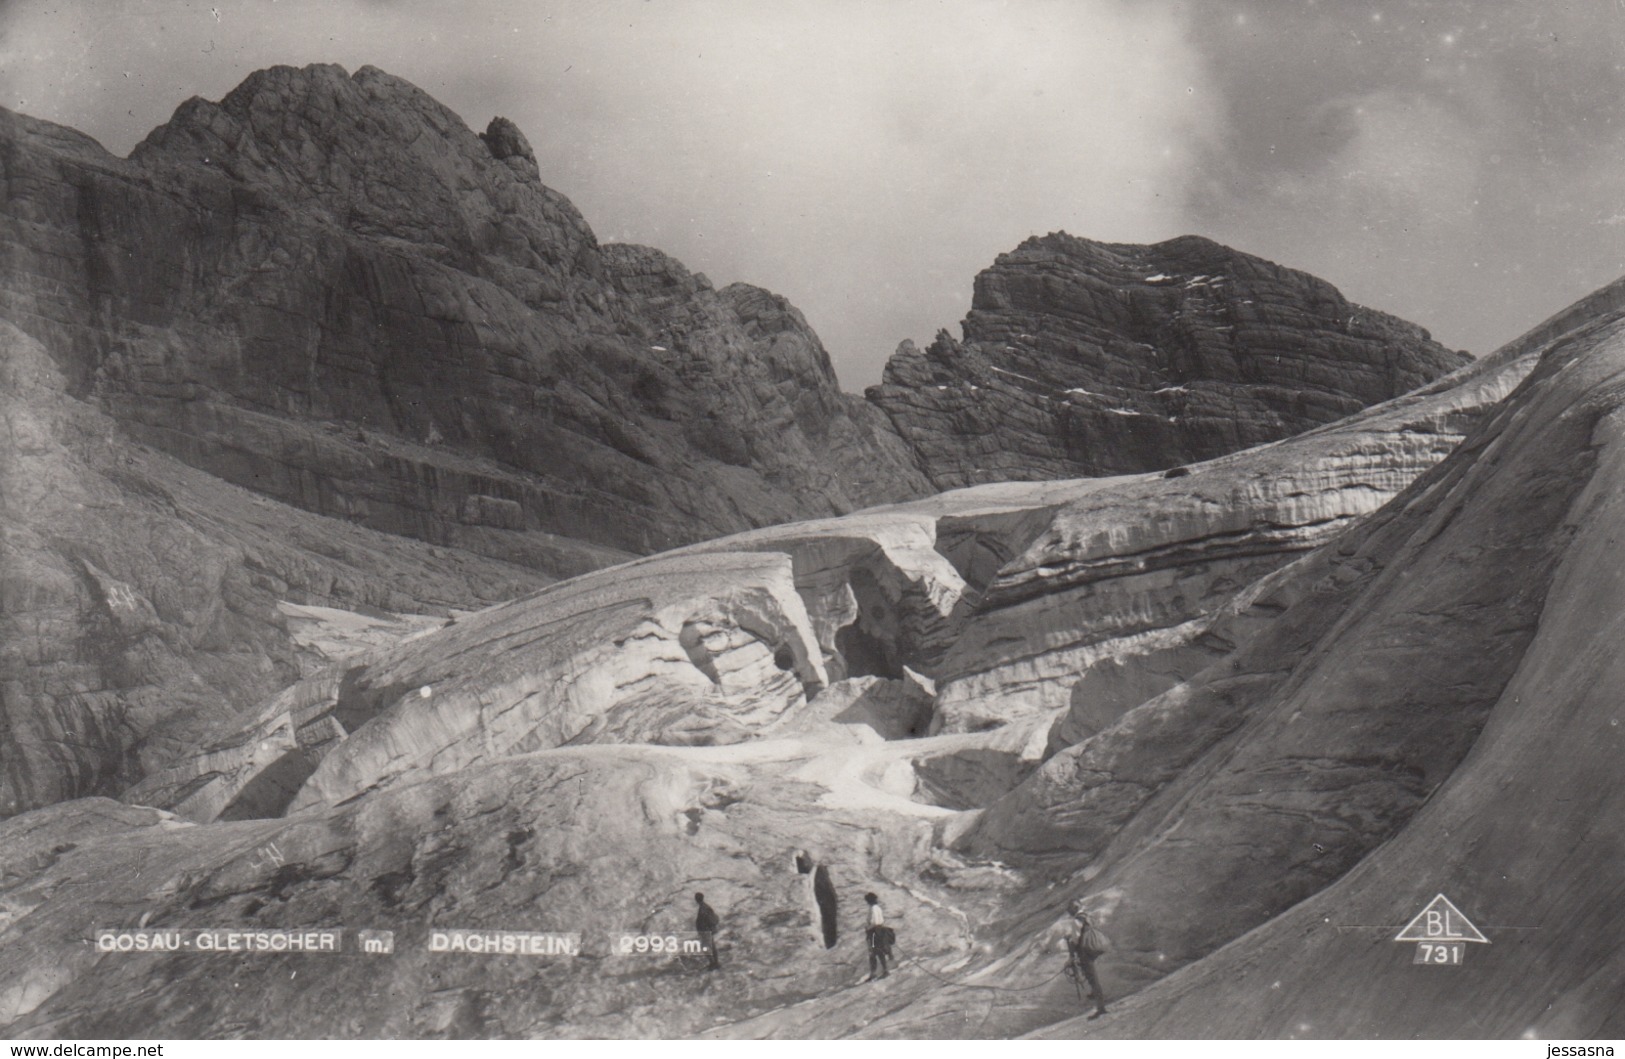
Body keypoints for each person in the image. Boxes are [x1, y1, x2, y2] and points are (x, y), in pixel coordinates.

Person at [1065, 901, 1109, 1019]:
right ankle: (1097, 999)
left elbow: (1075, 939)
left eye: (1070, 909)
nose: (1069, 911)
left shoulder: (1077, 921)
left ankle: (1101, 1008)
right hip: (1092, 948)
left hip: (1085, 951)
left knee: (1092, 978)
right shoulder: (1088, 916)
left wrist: (1071, 952)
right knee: (1092, 977)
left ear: (1074, 908)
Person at [864, 892, 893, 980]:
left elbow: (875, 922)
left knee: (873, 952)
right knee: (880, 951)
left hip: (873, 932)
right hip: (880, 931)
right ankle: (884, 970)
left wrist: (868, 928)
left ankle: (874, 973)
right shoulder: (878, 908)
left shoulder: (873, 908)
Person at [694, 892, 721, 971]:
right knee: (711, 946)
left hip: (705, 931)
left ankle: (713, 963)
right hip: (707, 930)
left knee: (706, 947)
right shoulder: (705, 907)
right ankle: (715, 963)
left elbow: (704, 921)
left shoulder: (703, 909)